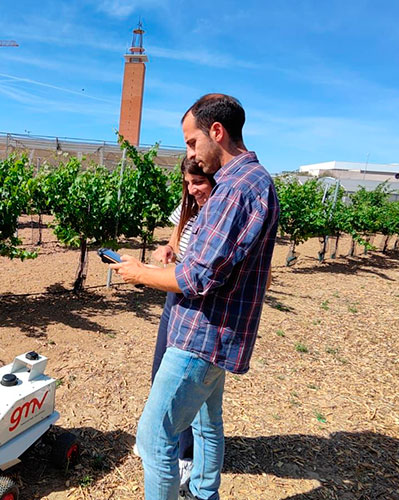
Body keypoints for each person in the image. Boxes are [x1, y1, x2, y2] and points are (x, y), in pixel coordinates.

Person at [110, 93, 280, 500]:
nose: (191, 153)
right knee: (206, 422)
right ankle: (204, 493)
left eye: (191, 142)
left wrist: (140, 272)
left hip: (201, 337)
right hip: (220, 334)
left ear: (216, 132)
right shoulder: (253, 182)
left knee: (154, 438)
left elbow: (196, 276)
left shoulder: (235, 189)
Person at [148, 157, 215, 484]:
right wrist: (167, 251)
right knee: (161, 372)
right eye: (188, 184)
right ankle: (167, 442)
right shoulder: (188, 209)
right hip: (176, 298)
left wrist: (143, 273)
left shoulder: (221, 216)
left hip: (200, 309)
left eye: (198, 183)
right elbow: (175, 244)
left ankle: (185, 455)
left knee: (184, 385)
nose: (192, 190)